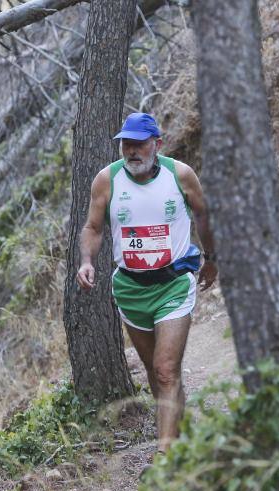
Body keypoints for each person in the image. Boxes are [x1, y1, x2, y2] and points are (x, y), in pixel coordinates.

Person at [76, 112, 218, 454]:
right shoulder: (106, 180)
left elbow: (203, 215)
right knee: (159, 378)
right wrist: (86, 262)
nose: (132, 151)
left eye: (139, 144)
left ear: (157, 144)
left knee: (165, 369)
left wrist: (212, 259)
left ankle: (165, 460)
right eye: (126, 144)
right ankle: (180, 440)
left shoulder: (180, 175)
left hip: (173, 283)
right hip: (130, 288)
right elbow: (93, 228)